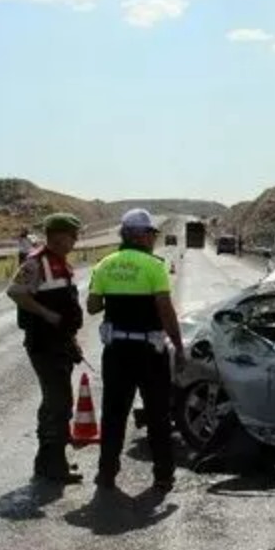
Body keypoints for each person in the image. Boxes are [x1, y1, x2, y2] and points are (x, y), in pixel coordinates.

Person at [86, 208, 183, 493]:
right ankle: (163, 475)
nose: (154, 238)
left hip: (116, 352)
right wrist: (178, 345)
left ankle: (106, 473)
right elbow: (166, 311)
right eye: (151, 233)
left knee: (114, 414)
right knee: (158, 415)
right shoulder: (154, 266)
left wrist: (114, 298)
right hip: (149, 352)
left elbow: (92, 306)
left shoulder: (104, 265)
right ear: (139, 236)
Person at [6, 213, 85, 484]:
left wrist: (71, 339)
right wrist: (46, 314)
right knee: (58, 403)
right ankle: (52, 464)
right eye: (72, 235)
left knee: (57, 400)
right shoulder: (36, 262)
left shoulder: (60, 263)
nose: (75, 240)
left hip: (59, 341)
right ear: (58, 235)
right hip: (44, 343)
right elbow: (15, 292)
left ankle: (48, 461)